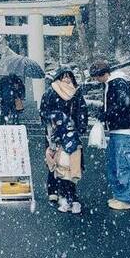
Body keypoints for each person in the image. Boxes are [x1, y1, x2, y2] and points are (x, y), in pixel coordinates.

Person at [90, 59, 130, 210]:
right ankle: (120, 196)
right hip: (119, 130)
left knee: (125, 164)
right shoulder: (112, 84)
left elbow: (124, 103)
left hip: (125, 130)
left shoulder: (117, 83)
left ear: (103, 74)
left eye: (96, 76)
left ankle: (126, 198)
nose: (96, 80)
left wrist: (107, 114)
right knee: (117, 163)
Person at [40, 68, 88, 214]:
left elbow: (82, 111)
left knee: (70, 164)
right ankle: (54, 190)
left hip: (72, 135)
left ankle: (68, 195)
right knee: (55, 161)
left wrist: (80, 126)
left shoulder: (76, 93)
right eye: (64, 77)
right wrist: (56, 119)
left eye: (69, 77)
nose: (67, 79)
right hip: (55, 133)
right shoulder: (51, 92)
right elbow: (43, 112)